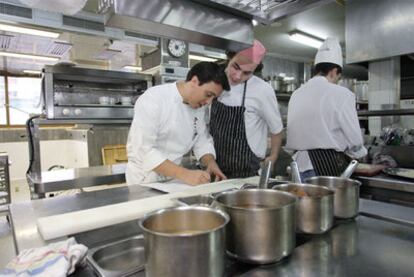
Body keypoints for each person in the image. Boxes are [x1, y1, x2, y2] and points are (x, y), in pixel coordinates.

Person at [126, 62, 230, 186]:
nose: (208, 102)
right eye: (208, 95)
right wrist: (185, 174)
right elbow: (144, 150)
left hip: (173, 179)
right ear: (194, 81)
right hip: (144, 180)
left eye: (213, 98)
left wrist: (210, 163)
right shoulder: (154, 99)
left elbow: (201, 139)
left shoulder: (199, 106)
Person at [286, 37, 367, 180]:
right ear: (334, 71)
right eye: (338, 77)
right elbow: (355, 140)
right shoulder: (342, 94)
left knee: (303, 203)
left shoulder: (296, 94)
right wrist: (360, 153)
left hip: (298, 168)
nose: (336, 81)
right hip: (327, 167)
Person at [209, 40, 284, 178]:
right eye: (235, 67)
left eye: (246, 73)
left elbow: (277, 129)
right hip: (215, 170)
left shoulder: (262, 90)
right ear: (230, 57)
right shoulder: (214, 80)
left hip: (248, 173)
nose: (238, 76)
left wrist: (273, 156)